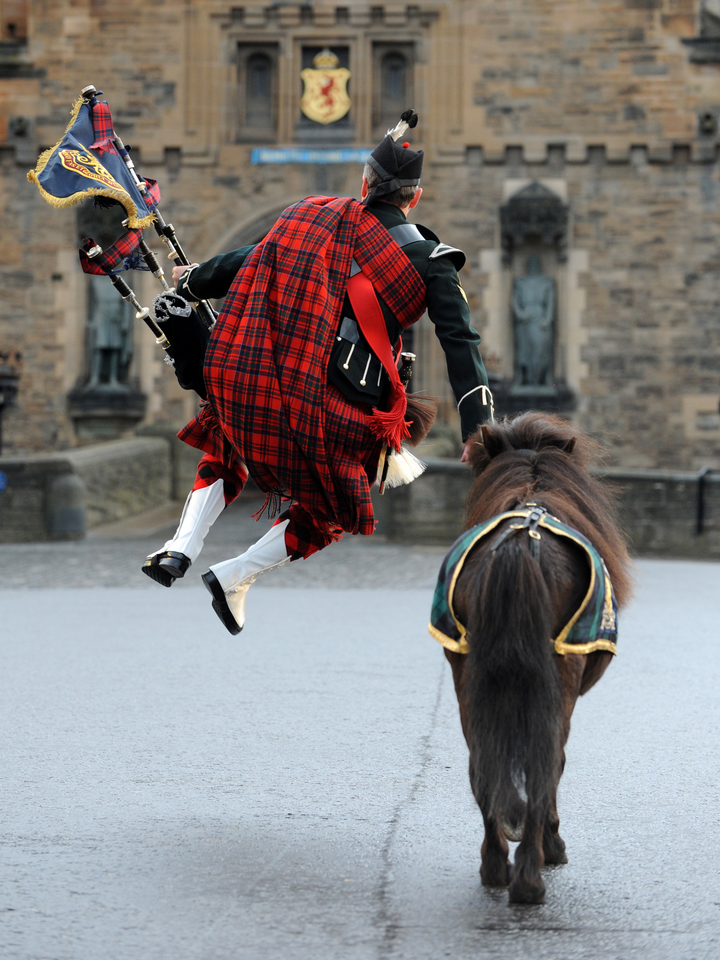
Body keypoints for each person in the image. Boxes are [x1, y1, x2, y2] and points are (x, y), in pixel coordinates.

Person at [142, 111, 493, 634]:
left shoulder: (314, 214)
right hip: (333, 408)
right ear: (413, 198)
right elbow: (459, 343)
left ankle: (181, 545)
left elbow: (254, 256)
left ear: (365, 185)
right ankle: (236, 574)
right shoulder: (433, 260)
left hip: (255, 369)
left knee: (225, 434)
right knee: (333, 507)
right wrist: (477, 429)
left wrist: (195, 282)